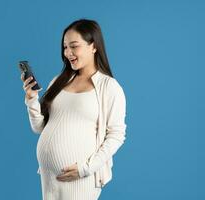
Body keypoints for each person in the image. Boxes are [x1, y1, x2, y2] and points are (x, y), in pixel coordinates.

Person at [21, 18, 127, 200]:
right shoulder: (59, 81)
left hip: (79, 177)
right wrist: (32, 99)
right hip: (49, 177)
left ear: (93, 46)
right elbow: (39, 127)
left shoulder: (109, 87)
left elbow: (116, 136)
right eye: (64, 47)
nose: (68, 52)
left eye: (74, 46)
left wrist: (85, 168)